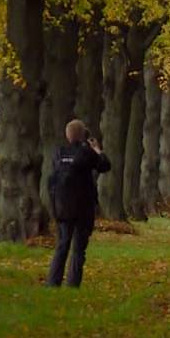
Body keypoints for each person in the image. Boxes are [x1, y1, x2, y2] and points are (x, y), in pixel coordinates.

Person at [46, 119, 110, 287]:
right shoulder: (86, 153)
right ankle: (73, 282)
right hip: (83, 206)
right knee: (79, 248)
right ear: (83, 135)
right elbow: (105, 166)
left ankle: (53, 281)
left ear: (67, 136)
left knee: (62, 244)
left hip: (63, 205)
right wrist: (97, 149)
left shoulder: (59, 152)